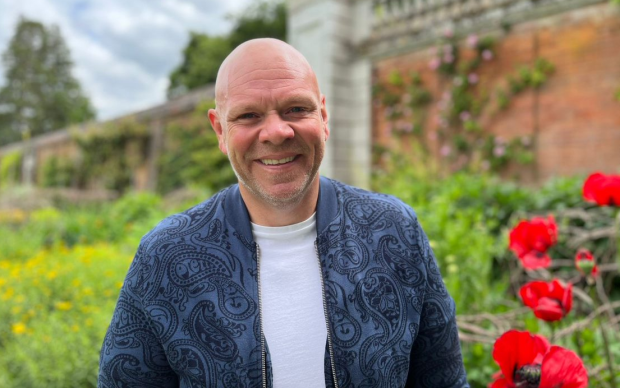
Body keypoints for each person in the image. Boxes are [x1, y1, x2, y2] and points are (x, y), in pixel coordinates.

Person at [98, 38, 469, 388]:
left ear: (323, 116)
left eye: (296, 109)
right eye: (248, 115)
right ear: (219, 131)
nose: (276, 131)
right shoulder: (166, 255)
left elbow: (443, 380)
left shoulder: (395, 231)